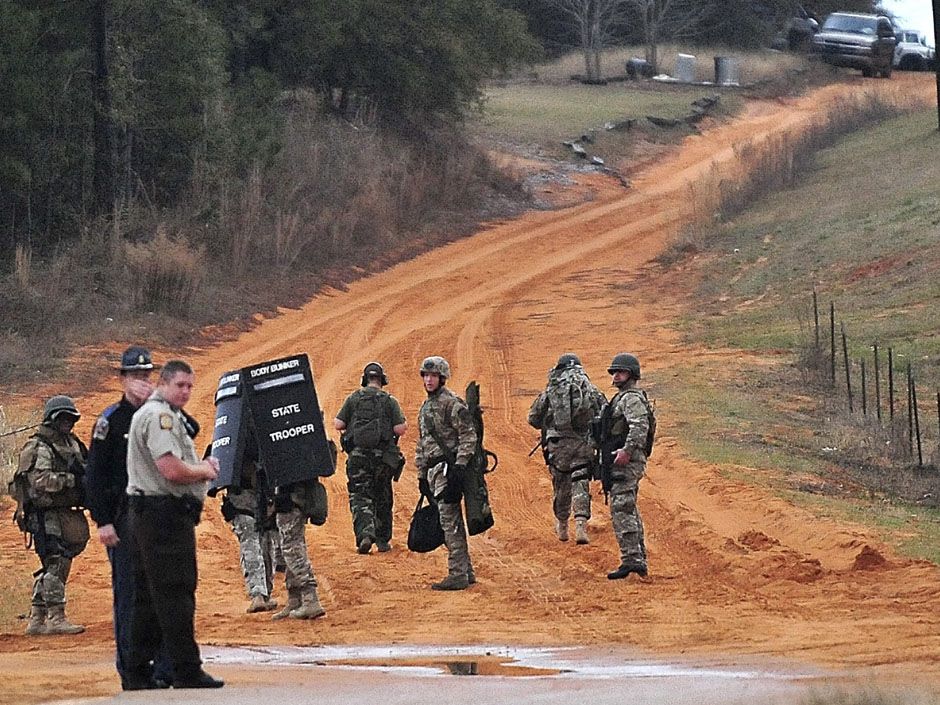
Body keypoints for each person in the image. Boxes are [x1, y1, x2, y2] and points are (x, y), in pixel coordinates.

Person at [124, 360, 223, 689]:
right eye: (180, 385)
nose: (186, 392)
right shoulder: (160, 417)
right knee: (175, 593)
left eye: (190, 386)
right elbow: (171, 470)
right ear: (163, 384)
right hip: (163, 516)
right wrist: (205, 469)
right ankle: (185, 669)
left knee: (148, 597)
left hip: (149, 513)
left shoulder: (154, 414)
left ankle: (137, 673)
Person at [84, 346, 174, 687]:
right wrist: (103, 521)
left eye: (147, 376)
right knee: (131, 596)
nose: (142, 382)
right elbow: (94, 476)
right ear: (122, 379)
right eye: (135, 376)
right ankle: (134, 673)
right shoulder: (110, 421)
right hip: (124, 520)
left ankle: (165, 669)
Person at [14, 395, 90, 636]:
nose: (67, 422)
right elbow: (40, 480)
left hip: (65, 513)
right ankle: (56, 617)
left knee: (55, 562)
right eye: (63, 418)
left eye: (70, 418)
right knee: (56, 562)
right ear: (51, 419)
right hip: (45, 514)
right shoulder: (41, 446)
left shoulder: (71, 443)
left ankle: (37, 618)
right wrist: (71, 481)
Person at [528, 353, 606, 545]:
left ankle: (562, 525)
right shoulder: (588, 387)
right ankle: (580, 524)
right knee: (580, 481)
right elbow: (604, 412)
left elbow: (533, 418)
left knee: (561, 484)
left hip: (558, 446)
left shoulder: (552, 389)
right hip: (583, 444)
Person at [415, 356, 478, 591]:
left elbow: (468, 436)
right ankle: (466, 571)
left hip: (447, 471)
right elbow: (422, 443)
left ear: (442, 378)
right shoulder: (427, 406)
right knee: (451, 522)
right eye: (425, 375)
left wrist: (459, 468)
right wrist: (421, 474)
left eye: (433, 376)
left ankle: (457, 573)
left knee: (449, 523)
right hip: (434, 472)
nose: (428, 380)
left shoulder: (451, 404)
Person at [334, 362, 408, 554]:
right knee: (383, 496)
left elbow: (338, 424)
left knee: (360, 496)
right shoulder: (389, 401)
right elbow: (400, 429)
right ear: (382, 380)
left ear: (364, 379)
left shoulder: (354, 398)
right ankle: (383, 540)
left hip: (358, 457)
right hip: (382, 458)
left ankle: (365, 534)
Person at [597, 353, 651, 580]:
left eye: (620, 372)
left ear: (631, 375)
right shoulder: (623, 398)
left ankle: (632, 560)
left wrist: (627, 452)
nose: (616, 375)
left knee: (622, 508)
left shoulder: (630, 399)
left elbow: (640, 426)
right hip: (620, 460)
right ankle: (637, 558)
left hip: (625, 463)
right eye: (614, 372)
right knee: (628, 507)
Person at [219, 430, 281, 614]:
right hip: (265, 498)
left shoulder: (232, 427)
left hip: (243, 498)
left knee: (251, 544)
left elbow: (216, 459)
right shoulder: (267, 425)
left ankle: (258, 594)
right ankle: (264, 594)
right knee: (266, 544)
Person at [269, 478, 328, 620]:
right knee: (291, 547)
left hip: (292, 500)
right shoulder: (307, 457)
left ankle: (310, 599)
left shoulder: (293, 458)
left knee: (292, 549)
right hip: (294, 497)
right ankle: (295, 599)